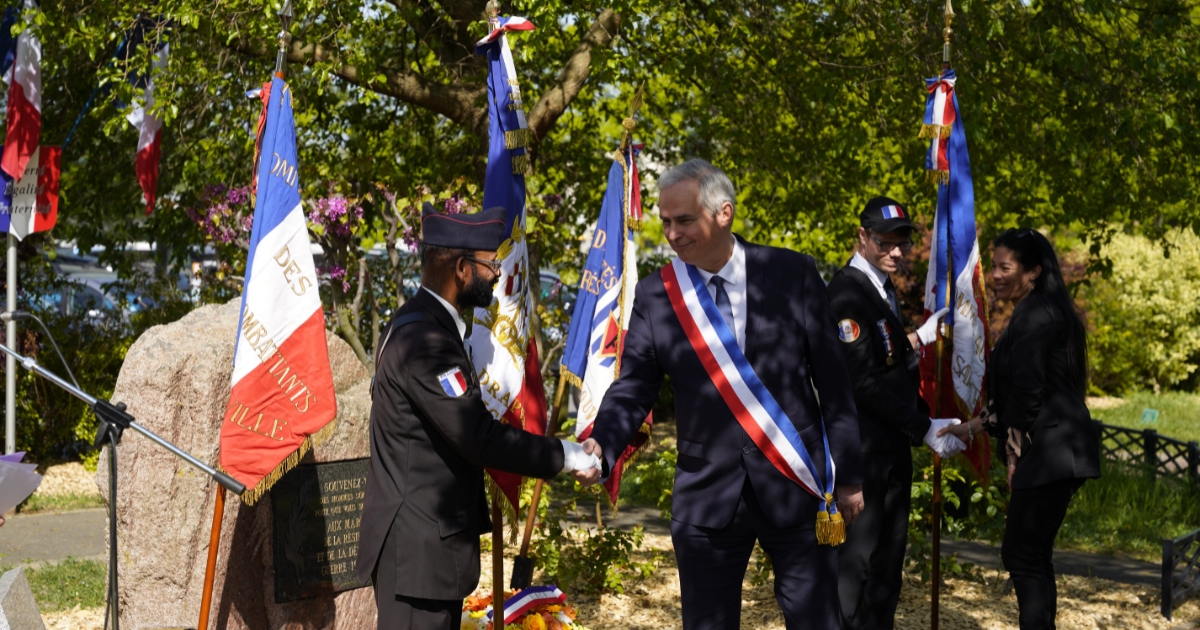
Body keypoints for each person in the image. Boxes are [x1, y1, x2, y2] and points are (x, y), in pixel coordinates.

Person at [576, 159, 865, 630]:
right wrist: (603, 445)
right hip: (707, 495)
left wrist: (850, 476)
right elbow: (633, 387)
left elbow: (835, 384)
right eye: (665, 221)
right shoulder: (656, 295)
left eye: (684, 220)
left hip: (796, 483)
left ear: (724, 214)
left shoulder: (793, 273)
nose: (671, 233)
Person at [355, 204, 600, 630]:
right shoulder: (426, 341)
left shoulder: (423, 323)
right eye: (491, 265)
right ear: (463, 269)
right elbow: (478, 437)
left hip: (424, 553)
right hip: (417, 556)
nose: (497, 277)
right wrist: (570, 455)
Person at [939, 228, 1100, 630]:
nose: (994, 275)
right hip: (1061, 448)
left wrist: (1014, 454)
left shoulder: (1034, 315)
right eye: (993, 266)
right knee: (1034, 555)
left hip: (1050, 450)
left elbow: (1027, 393)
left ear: (1032, 272)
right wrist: (973, 426)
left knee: (1022, 556)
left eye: (1004, 267)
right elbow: (1021, 395)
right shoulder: (1043, 310)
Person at [826, 196, 961, 630]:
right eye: (886, 243)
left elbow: (884, 360)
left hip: (891, 451)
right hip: (863, 456)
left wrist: (915, 341)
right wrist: (923, 427)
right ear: (862, 237)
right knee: (857, 568)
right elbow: (861, 382)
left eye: (902, 242)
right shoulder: (847, 293)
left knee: (887, 569)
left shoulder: (879, 289)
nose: (897, 252)